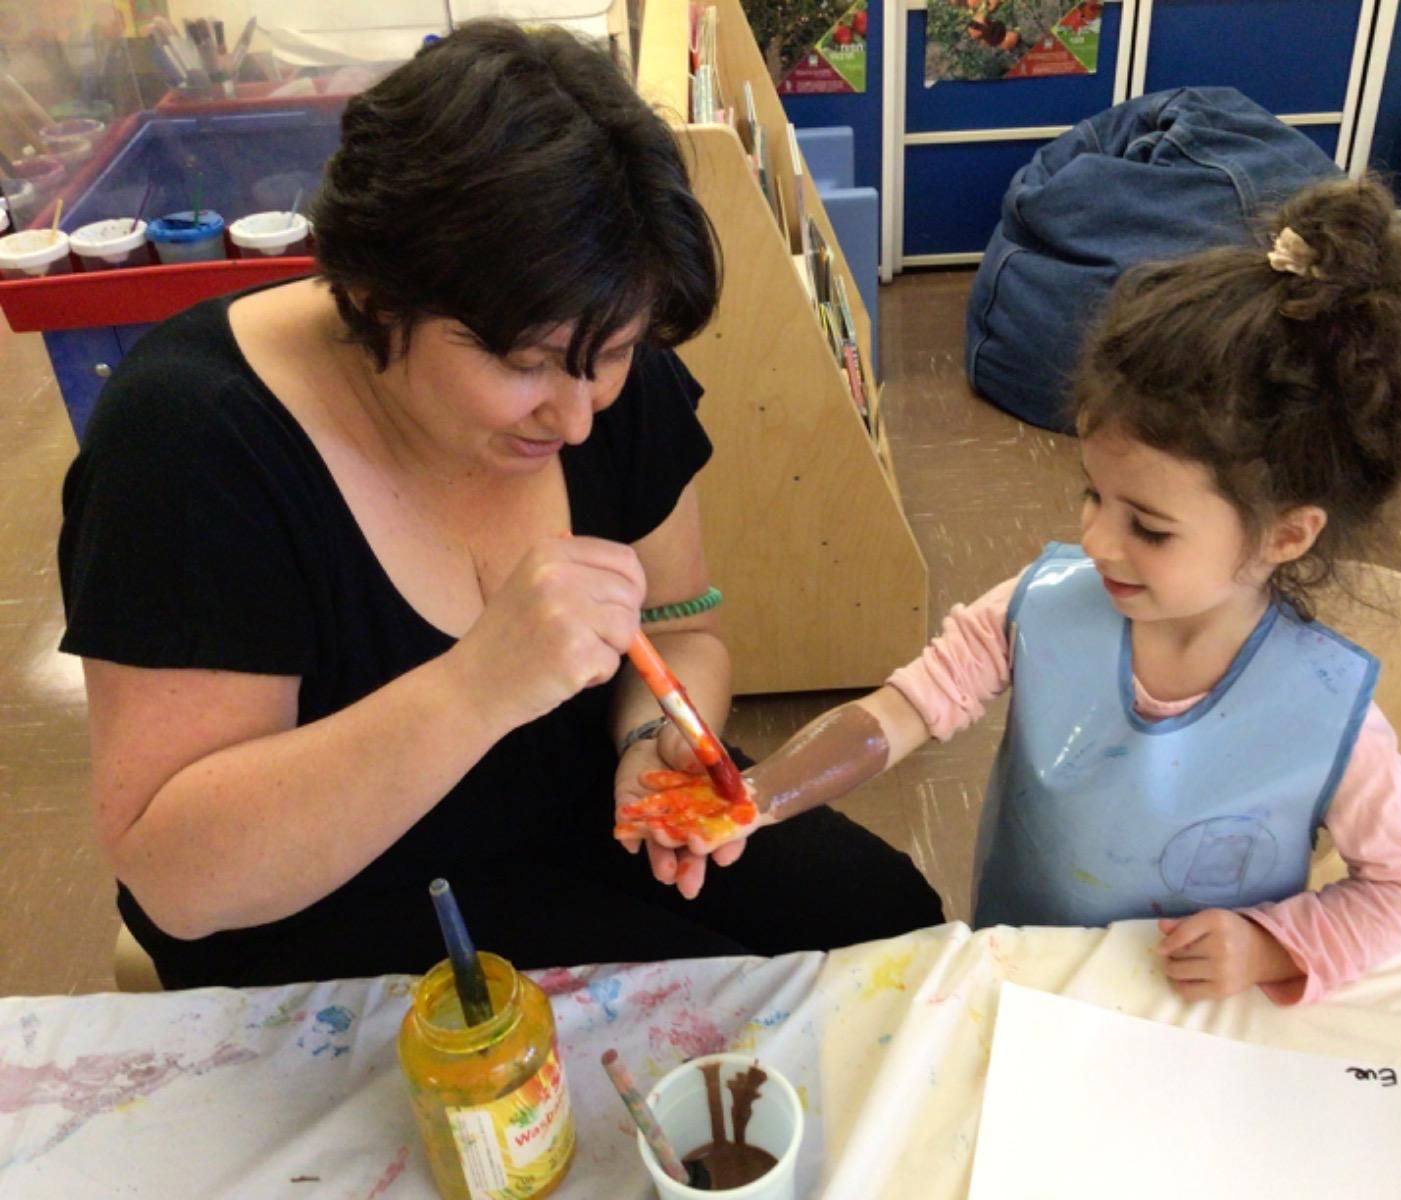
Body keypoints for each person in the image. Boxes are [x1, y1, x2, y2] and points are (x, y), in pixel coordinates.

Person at [58, 22, 941, 990]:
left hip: (575, 799)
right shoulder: (191, 445)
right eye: (523, 364)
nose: (573, 416)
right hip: (324, 888)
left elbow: (681, 627)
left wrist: (652, 744)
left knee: (884, 921)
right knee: (686, 1019)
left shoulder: (599, 365)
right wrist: (477, 686)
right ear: (370, 293)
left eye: (608, 357)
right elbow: (180, 878)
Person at [618, 177, 1401, 1005]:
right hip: (1033, 993)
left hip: (1197, 1024)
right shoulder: (1045, 603)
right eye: (1093, 494)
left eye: (1150, 526)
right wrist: (755, 797)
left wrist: (1273, 945)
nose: (1096, 540)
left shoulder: (1328, 717)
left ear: (1286, 534)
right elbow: (900, 711)